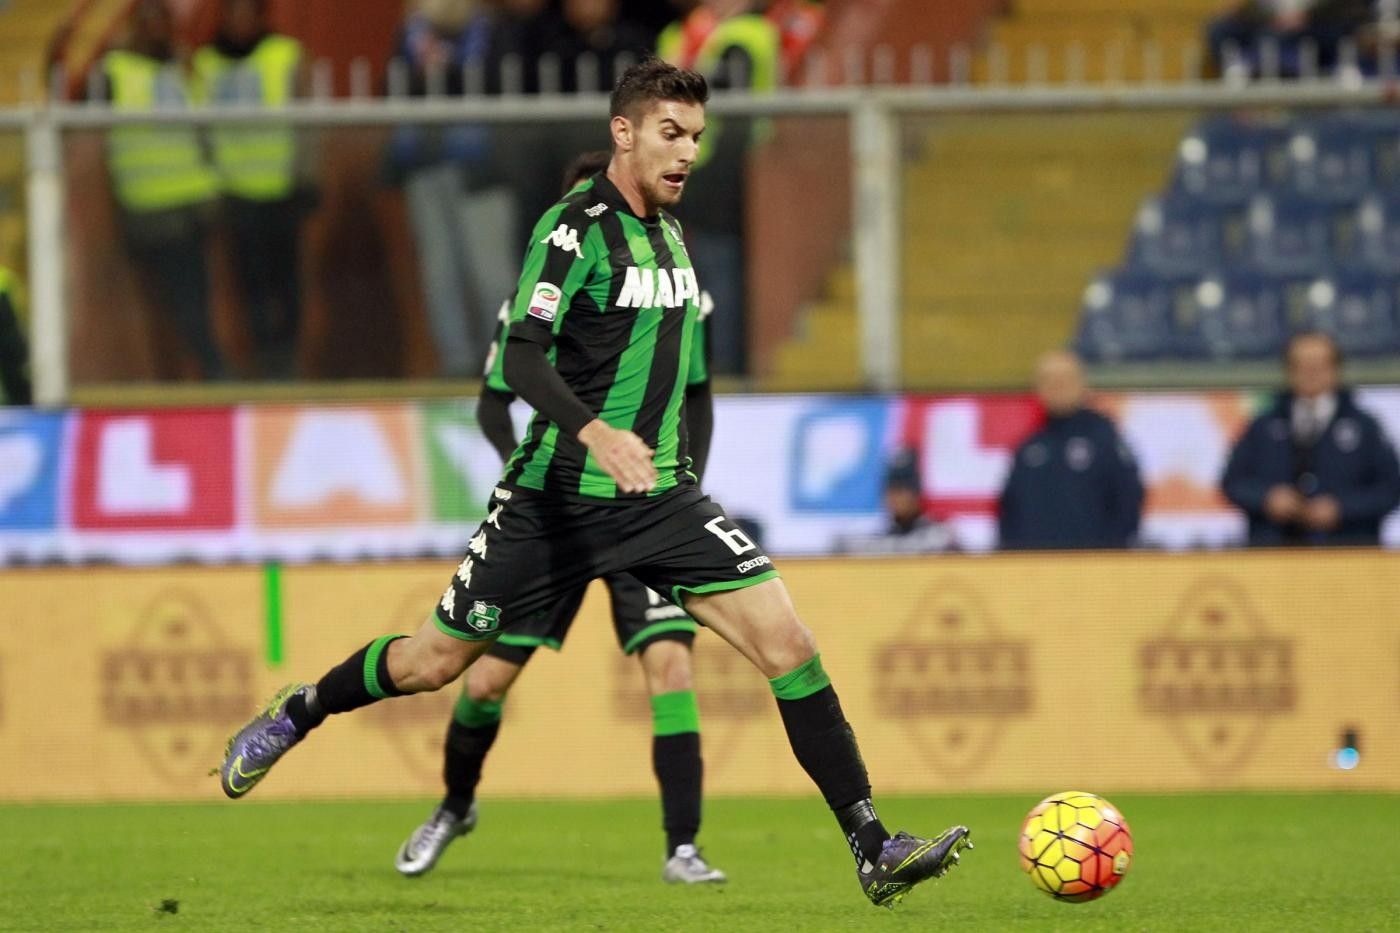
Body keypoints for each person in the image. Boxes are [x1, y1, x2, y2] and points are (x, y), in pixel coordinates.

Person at [217, 58, 971, 909]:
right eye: (670, 133)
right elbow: (522, 356)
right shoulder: (573, 230)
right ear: (624, 132)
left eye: (695, 137)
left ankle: (872, 844)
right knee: (435, 663)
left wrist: (675, 467)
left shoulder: (673, 237)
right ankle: (300, 711)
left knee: (789, 643)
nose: (687, 152)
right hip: (553, 501)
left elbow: (689, 384)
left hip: (660, 501)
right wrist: (596, 430)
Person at [394, 151, 724, 885]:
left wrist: (684, 481)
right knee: (480, 683)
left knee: (670, 665)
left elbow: (698, 392)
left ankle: (683, 846)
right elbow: (492, 400)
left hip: (644, 510)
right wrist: (540, 485)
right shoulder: (535, 302)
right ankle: (454, 805)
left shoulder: (668, 288)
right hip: (560, 513)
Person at [101, 0, 225, 380]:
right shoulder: (116, 69)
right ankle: (209, 369)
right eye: (148, 21)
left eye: (162, 20)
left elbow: (208, 131)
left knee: (195, 294)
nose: (156, 29)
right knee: (175, 298)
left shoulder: (188, 67)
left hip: (192, 201)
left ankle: (207, 370)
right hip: (148, 203)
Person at [658, 0, 779, 375]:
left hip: (720, 177)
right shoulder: (680, 33)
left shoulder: (747, 35)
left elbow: (727, 107)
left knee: (717, 277)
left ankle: (722, 372)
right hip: (676, 174)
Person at [193, 0, 310, 380]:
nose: (239, 21)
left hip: (280, 188)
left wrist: (307, 176)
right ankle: (264, 360)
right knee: (250, 286)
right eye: (232, 13)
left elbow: (310, 118)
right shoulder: (205, 62)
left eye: (247, 13)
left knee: (287, 281)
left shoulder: (284, 54)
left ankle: (287, 358)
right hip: (234, 191)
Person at [1222, 331, 1400, 546]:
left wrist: (1342, 508)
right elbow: (1233, 482)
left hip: (1349, 552)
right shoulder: (1263, 426)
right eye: (1302, 365)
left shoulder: (1365, 428)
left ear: (1336, 369)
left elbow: (1390, 489)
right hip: (1274, 552)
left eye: (1319, 365)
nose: (1311, 373)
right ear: (1289, 370)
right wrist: (1267, 499)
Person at [998, 350, 1144, 550]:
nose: (1057, 386)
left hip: (1093, 569)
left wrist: (1109, 555)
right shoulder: (1028, 449)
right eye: (1049, 379)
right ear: (1038, 388)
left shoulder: (1104, 438)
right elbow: (1009, 512)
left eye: (1065, 379)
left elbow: (1128, 502)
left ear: (1083, 383)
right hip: (1035, 571)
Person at [836, 449, 953, 555]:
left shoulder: (941, 537)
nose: (895, 498)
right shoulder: (878, 538)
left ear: (916, 493)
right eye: (890, 490)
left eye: (902, 490)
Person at [0, 265, 31, 406]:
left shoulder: (6, 276)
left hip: (9, 338)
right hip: (11, 337)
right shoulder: (7, 275)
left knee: (14, 378)